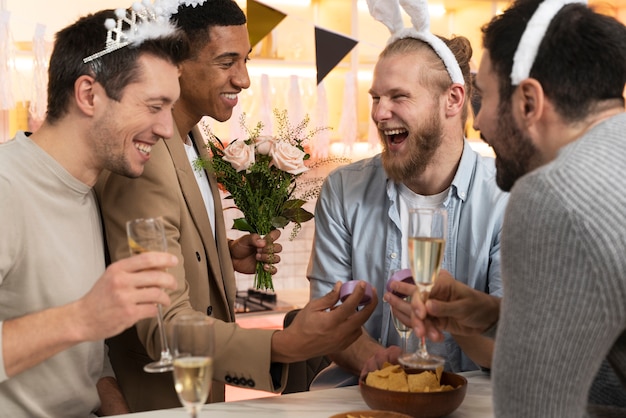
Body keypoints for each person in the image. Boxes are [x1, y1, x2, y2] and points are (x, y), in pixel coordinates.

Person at [95, 0, 377, 412]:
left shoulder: (194, 139)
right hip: (158, 400)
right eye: (227, 62)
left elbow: (162, 247)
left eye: (245, 60)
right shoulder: (147, 154)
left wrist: (221, 256)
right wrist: (283, 344)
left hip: (200, 391)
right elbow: (161, 320)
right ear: (175, 63)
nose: (243, 79)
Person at [404, 0, 626, 415]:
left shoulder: (552, 195)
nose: (477, 121)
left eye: (483, 98)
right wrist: (496, 314)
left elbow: (534, 411)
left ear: (528, 101)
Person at [0, 4, 190, 416]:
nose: (166, 129)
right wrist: (83, 317)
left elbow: (82, 362)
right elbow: (80, 324)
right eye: (154, 106)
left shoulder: (90, 191)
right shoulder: (5, 187)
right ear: (89, 94)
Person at [307, 3, 509, 387]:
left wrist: (452, 320)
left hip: (471, 398)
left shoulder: (505, 198)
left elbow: (509, 346)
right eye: (375, 97)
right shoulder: (343, 190)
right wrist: (381, 362)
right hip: (360, 394)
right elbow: (327, 322)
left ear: (453, 99)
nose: (381, 113)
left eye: (398, 96)